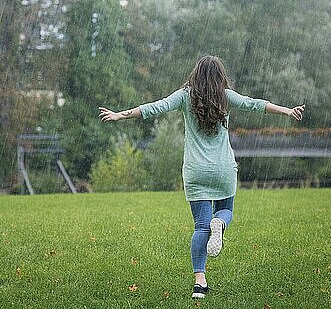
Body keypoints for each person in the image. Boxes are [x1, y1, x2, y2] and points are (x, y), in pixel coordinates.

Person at [98, 55, 305, 299]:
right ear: (220, 76)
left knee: (200, 226)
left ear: (196, 73)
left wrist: (121, 115)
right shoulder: (225, 96)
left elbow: (156, 107)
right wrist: (288, 111)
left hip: (196, 172)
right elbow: (255, 104)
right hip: (223, 169)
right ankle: (221, 224)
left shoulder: (185, 96)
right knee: (226, 210)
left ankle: (199, 283)